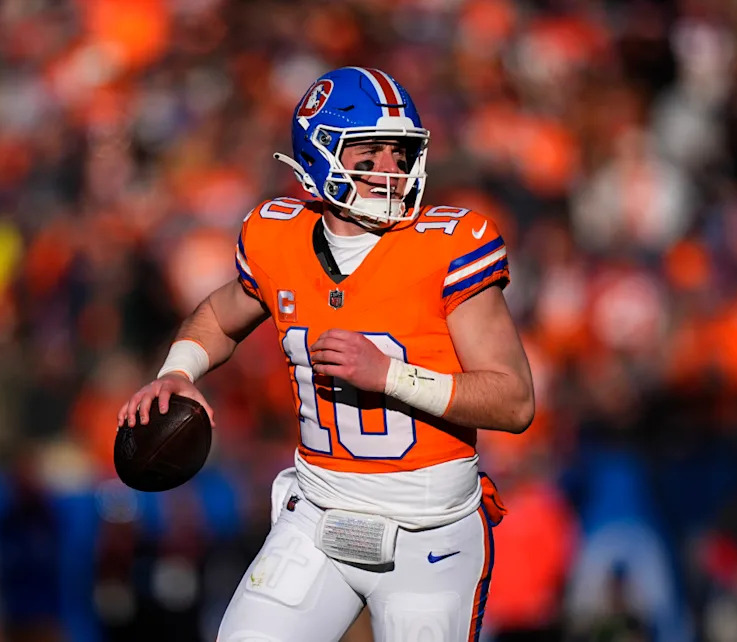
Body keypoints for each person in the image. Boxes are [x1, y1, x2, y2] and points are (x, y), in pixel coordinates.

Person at [117, 66, 535, 641]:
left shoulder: (448, 246)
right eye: (370, 152)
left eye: (400, 152)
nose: (391, 169)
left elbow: (514, 401)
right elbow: (219, 314)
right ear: (320, 154)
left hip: (430, 534)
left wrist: (391, 376)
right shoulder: (278, 237)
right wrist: (178, 371)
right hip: (317, 514)